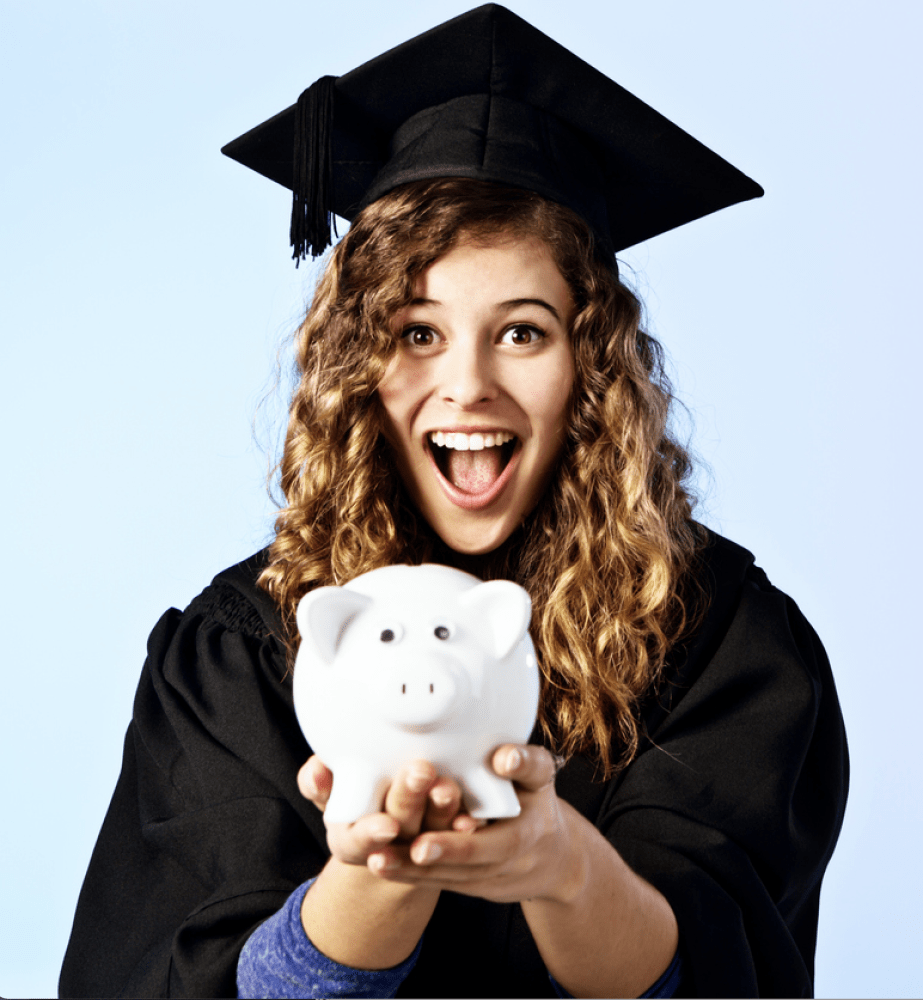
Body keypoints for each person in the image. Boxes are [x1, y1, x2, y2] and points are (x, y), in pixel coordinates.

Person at [59, 5, 848, 998]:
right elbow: (177, 975)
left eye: (520, 332)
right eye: (417, 332)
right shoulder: (249, 646)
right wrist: (376, 871)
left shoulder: (716, 636)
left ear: (590, 367)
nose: (467, 385)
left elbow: (720, 963)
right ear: (358, 366)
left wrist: (556, 864)